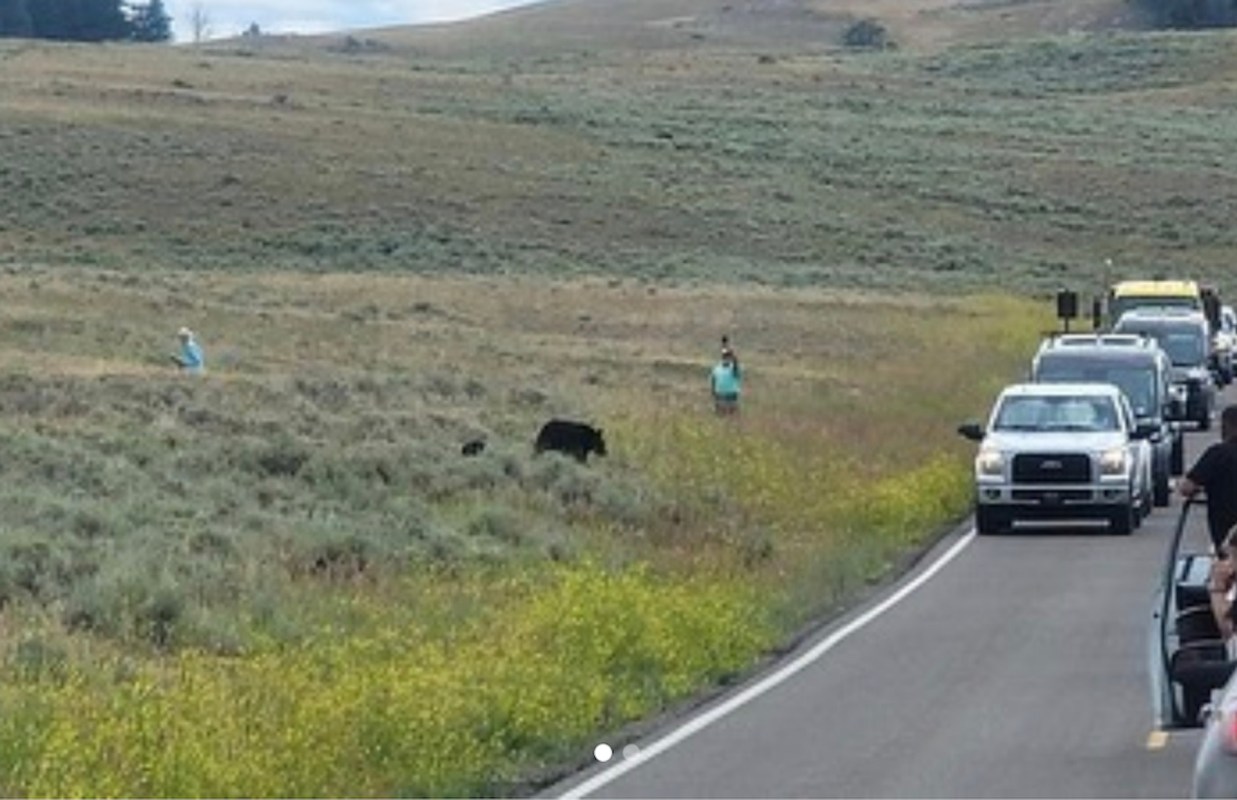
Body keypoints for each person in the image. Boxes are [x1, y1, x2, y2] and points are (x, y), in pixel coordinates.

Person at [1179, 404, 1237, 551]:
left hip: (1226, 532)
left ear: (1227, 427)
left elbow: (1187, 487)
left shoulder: (1218, 454)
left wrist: (1198, 488)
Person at [710, 339, 742, 416]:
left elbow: (736, 366)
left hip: (731, 398)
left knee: (732, 419)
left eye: (728, 356)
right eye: (724, 356)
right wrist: (713, 393)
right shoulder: (716, 368)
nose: (726, 358)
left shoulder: (734, 368)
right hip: (720, 397)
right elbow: (713, 381)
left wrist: (732, 354)